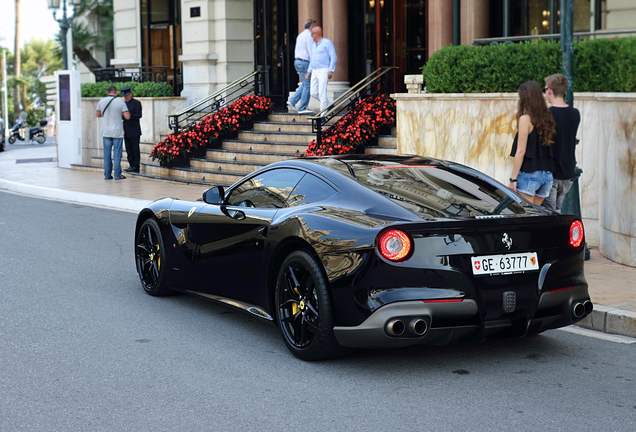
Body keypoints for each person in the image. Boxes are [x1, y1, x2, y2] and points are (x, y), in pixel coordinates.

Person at [509, 80, 556, 205]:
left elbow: (520, 151)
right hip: (547, 176)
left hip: (530, 175)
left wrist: (512, 179)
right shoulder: (548, 117)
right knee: (536, 217)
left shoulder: (525, 119)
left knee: (526, 216)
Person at [543, 73, 581, 212]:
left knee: (548, 214)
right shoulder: (575, 113)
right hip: (568, 172)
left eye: (545, 89)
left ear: (550, 91)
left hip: (551, 172)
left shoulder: (547, 114)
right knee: (557, 211)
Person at [96, 86, 130, 180]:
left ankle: (107, 175)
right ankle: (117, 175)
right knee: (117, 154)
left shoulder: (101, 101)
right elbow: (127, 116)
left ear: (108, 92)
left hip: (106, 132)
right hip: (117, 132)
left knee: (107, 155)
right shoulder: (120, 101)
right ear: (116, 92)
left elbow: (98, 115)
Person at [288, 19, 316, 115]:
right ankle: (303, 108)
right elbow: (311, 51)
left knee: (304, 84)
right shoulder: (309, 36)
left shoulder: (301, 35)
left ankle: (292, 101)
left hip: (298, 61)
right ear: (311, 26)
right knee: (307, 85)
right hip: (305, 62)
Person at [307, 26, 337, 113]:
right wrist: (309, 71)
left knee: (322, 92)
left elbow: (333, 56)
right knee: (313, 92)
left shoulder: (327, 43)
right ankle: (329, 104)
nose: (311, 36)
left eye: (313, 34)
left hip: (324, 70)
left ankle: (323, 114)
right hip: (314, 70)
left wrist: (331, 70)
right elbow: (312, 59)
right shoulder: (312, 45)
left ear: (318, 34)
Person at [122, 87, 143, 173]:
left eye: (127, 95)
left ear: (130, 94)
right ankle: (131, 165)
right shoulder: (123, 104)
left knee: (135, 149)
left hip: (134, 130)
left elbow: (139, 115)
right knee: (128, 149)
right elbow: (121, 115)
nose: (125, 97)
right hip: (126, 130)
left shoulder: (137, 103)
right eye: (124, 96)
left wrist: (129, 117)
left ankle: (136, 166)